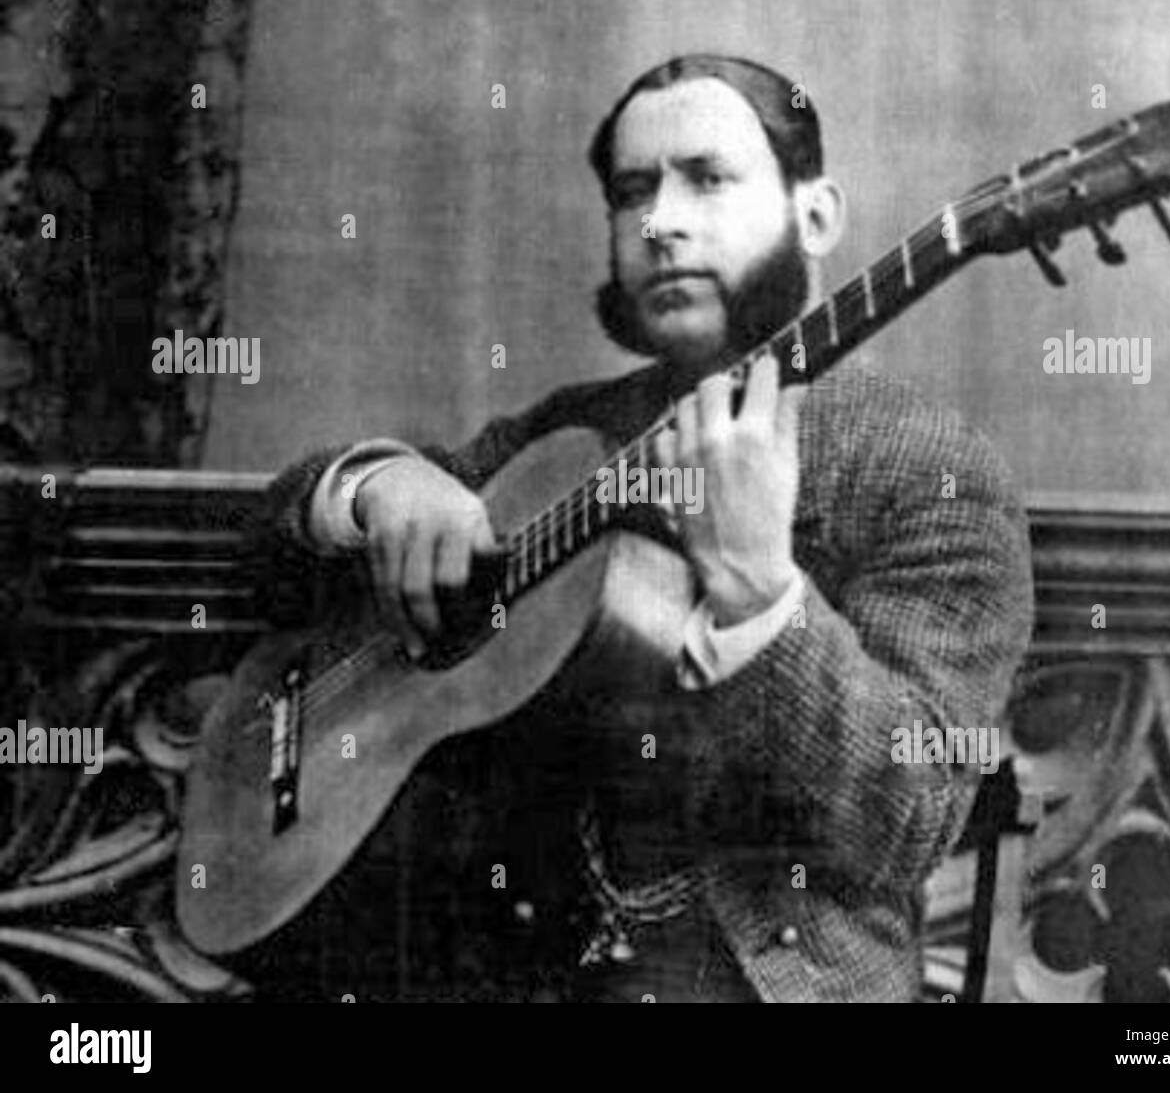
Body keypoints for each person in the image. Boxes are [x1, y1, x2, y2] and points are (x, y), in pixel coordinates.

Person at [260, 53, 1035, 1002]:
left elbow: (908, 819)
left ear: (817, 214)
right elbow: (271, 546)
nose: (661, 222)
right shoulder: (564, 437)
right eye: (633, 194)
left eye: (708, 179)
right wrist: (379, 485)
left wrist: (761, 592)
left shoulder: (929, 471)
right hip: (501, 962)